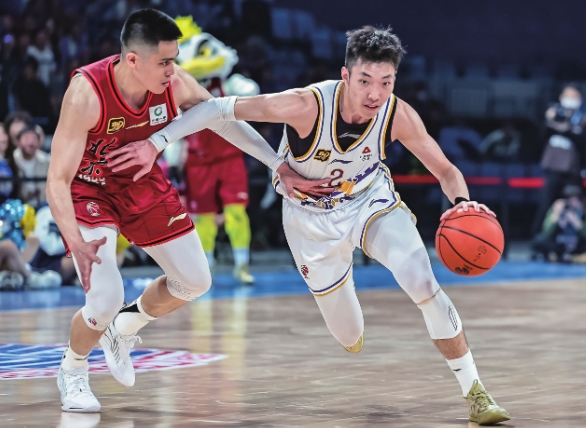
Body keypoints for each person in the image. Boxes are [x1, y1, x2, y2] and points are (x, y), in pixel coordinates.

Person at [138, 25, 510, 425]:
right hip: (309, 222)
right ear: (346, 75)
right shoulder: (305, 105)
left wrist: (463, 203)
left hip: (369, 203)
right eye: (365, 81)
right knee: (349, 336)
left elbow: (446, 170)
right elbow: (215, 109)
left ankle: (475, 392)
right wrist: (157, 143)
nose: (375, 94)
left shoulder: (397, 115)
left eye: (386, 82)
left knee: (423, 284)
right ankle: (342, 286)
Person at [46, 8, 328, 414]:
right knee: (105, 297)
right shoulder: (86, 93)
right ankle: (73, 369)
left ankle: (125, 326)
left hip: (140, 183)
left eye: (174, 59)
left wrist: (276, 164)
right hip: (87, 190)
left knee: (195, 280)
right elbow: (57, 179)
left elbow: (222, 118)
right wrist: (75, 241)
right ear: (132, 60)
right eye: (164, 62)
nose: (172, 70)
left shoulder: (175, 82)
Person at [174, 17, 259, 283]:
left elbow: (251, 91)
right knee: (203, 219)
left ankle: (242, 265)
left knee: (236, 212)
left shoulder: (227, 84)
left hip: (230, 155)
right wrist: (174, 157)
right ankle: (206, 267)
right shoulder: (181, 93)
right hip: (198, 160)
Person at [532, 84, 586, 234]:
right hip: (552, 170)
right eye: (568, 96)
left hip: (572, 171)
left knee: (574, 206)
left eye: (574, 97)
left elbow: (580, 139)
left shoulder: (581, 119)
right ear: (561, 97)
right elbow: (541, 135)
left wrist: (563, 127)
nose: (570, 100)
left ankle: (576, 240)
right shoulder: (553, 114)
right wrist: (550, 120)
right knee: (545, 205)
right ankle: (539, 238)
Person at [532, 184, 586, 262]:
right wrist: (556, 215)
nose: (573, 203)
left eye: (576, 200)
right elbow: (546, 232)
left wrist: (576, 221)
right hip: (560, 242)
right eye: (570, 200)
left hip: (577, 243)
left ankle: (571, 257)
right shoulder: (557, 210)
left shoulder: (582, 212)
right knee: (538, 241)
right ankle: (558, 255)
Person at [13, 125, 50, 208]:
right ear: (18, 142)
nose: (30, 142)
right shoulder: (12, 160)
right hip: (17, 205)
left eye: (34, 138)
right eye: (26, 138)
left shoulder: (46, 161)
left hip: (42, 205)